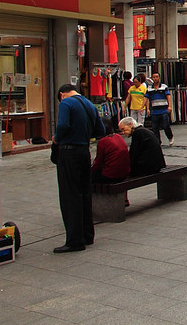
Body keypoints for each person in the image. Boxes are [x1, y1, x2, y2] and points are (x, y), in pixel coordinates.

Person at [52, 84, 105, 253]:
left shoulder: (66, 104)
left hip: (69, 152)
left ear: (61, 94)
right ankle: (87, 235)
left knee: (70, 195)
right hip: (84, 152)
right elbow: (100, 129)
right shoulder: (88, 103)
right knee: (84, 193)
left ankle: (74, 240)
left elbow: (63, 126)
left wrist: (56, 139)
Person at [91, 119, 130, 184]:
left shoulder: (103, 141)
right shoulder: (118, 136)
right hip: (124, 173)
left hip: (110, 175)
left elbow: (98, 162)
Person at [146, 72, 173, 146]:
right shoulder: (149, 88)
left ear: (159, 78)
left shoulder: (164, 86)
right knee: (155, 127)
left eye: (157, 77)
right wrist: (147, 108)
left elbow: (168, 96)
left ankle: (170, 137)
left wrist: (169, 106)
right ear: (152, 78)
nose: (155, 78)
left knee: (165, 125)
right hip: (154, 110)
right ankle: (158, 141)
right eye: (154, 77)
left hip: (164, 109)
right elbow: (147, 99)